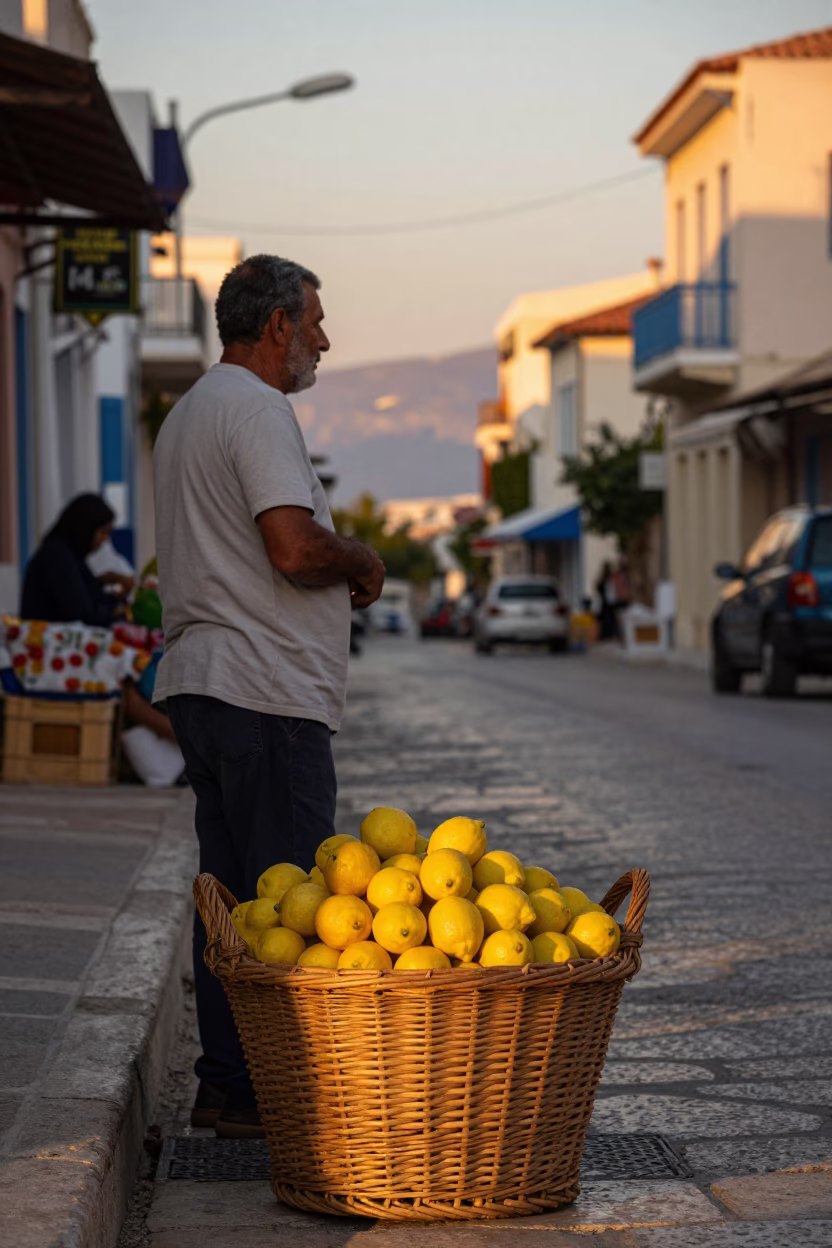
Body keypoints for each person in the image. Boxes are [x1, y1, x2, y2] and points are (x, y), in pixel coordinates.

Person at [152, 254, 385, 1139]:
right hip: (265, 695)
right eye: (316, 321)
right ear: (278, 323)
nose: (324, 339)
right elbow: (292, 547)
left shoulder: (190, 414)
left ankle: (227, 1085)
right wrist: (360, 559)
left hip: (208, 690)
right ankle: (275, 1099)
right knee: (289, 902)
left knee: (231, 904)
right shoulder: (256, 408)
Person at [20, 493, 131, 626]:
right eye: (102, 532)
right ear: (85, 529)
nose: (104, 540)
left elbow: (92, 599)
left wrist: (115, 593)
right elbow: (84, 614)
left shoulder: (70, 556)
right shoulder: (56, 557)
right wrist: (117, 611)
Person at [595, 560, 617, 641]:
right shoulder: (605, 579)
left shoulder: (610, 578)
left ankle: (608, 634)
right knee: (606, 619)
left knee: (609, 619)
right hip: (606, 602)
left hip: (610, 601)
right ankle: (606, 634)